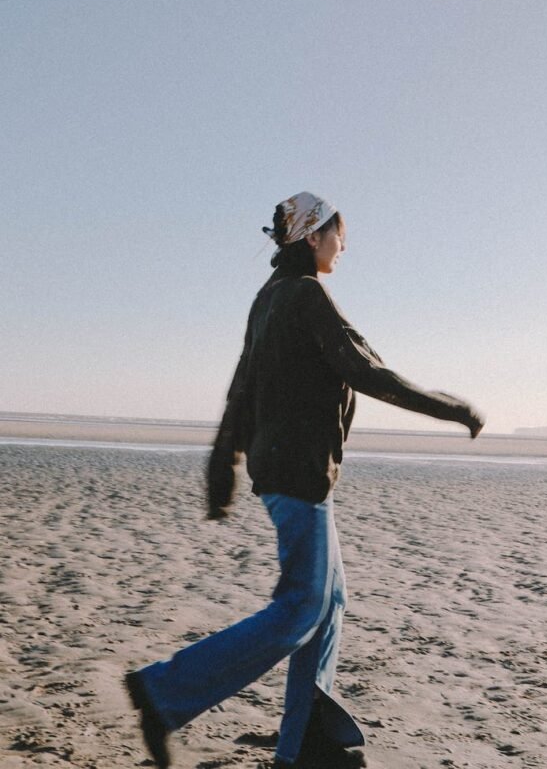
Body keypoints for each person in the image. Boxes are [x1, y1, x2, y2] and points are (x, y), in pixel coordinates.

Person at [124, 192, 485, 769]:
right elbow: (365, 369)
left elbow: (241, 387)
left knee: (329, 602)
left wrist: (224, 465)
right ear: (313, 237)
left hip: (286, 471)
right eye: (339, 233)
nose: (345, 244)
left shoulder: (269, 297)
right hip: (298, 475)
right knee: (300, 608)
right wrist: (452, 408)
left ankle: (307, 744)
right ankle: (164, 692)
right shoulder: (307, 295)